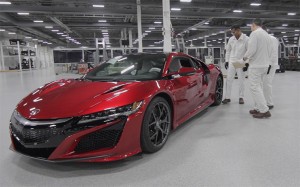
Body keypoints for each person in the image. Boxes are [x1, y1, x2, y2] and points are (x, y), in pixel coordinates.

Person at [243, 19, 273, 118]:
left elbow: (251, 50)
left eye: (251, 26)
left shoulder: (255, 33)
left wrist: (245, 57)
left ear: (253, 25)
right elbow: (270, 51)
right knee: (258, 87)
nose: (250, 27)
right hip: (264, 65)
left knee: (254, 87)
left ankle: (264, 110)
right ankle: (258, 108)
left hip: (256, 66)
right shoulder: (266, 35)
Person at [222, 25, 249, 104]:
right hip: (232, 61)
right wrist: (227, 61)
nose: (233, 34)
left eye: (234, 32)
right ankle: (227, 97)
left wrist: (247, 63)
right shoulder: (231, 39)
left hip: (240, 61)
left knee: (241, 80)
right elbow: (228, 51)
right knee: (229, 80)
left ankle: (241, 97)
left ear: (238, 30)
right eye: (232, 32)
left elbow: (249, 51)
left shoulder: (246, 39)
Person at [262, 26, 279, 110]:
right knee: (262, 84)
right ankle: (263, 102)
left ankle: (269, 103)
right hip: (264, 65)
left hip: (271, 65)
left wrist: (269, 64)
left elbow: (274, 53)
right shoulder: (263, 40)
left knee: (267, 83)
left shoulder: (272, 39)